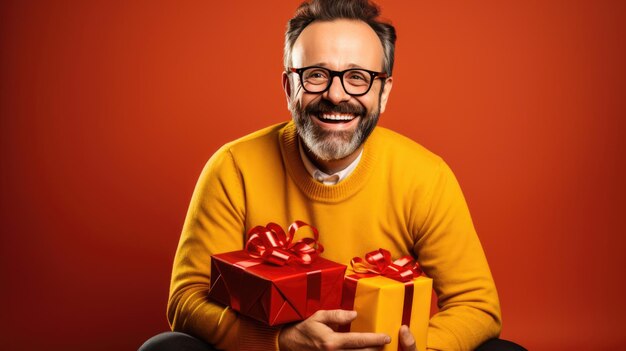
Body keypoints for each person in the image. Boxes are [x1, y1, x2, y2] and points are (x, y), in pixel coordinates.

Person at [140, 0, 526, 350]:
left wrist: (422, 349)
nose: (337, 95)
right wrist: (279, 342)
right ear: (289, 86)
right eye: (315, 75)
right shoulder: (233, 167)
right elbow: (187, 300)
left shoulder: (426, 176)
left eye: (357, 77)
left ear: (384, 93)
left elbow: (477, 305)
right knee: (167, 349)